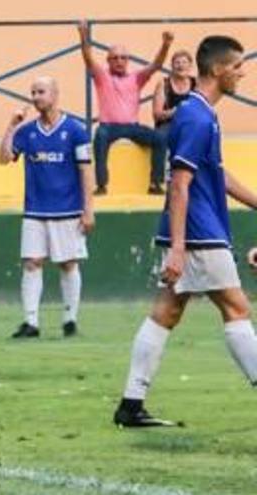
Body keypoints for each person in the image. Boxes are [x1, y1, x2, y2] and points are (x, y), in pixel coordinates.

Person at [112, 35, 257, 428]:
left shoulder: (200, 113)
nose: (243, 72)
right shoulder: (196, 116)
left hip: (195, 226)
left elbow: (216, 173)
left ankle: (130, 404)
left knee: (166, 311)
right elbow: (179, 183)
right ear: (217, 69)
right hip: (198, 229)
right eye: (238, 66)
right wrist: (178, 247)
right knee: (237, 307)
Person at [0, 77, 95, 339]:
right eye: (33, 92)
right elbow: (4, 158)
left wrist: (89, 210)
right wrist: (11, 126)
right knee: (31, 263)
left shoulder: (75, 130)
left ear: (55, 94)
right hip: (35, 210)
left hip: (67, 210)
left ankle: (70, 320)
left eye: (41, 92)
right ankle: (31, 322)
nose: (36, 97)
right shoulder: (27, 132)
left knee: (68, 264)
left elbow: (86, 171)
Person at [77, 21, 173, 195]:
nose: (119, 61)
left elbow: (156, 65)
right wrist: (83, 36)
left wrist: (166, 45)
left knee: (160, 138)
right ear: (108, 61)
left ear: (128, 60)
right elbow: (87, 58)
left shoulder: (136, 77)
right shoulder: (102, 76)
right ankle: (101, 185)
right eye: (115, 58)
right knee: (99, 136)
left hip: (132, 127)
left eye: (123, 57)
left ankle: (155, 183)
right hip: (108, 127)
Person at [152, 50, 196, 175]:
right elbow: (157, 114)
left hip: (189, 123)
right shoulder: (164, 84)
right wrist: (175, 112)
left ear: (190, 66)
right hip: (168, 123)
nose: (180, 65)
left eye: (184, 62)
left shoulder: (196, 84)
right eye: (177, 62)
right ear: (172, 66)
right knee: (159, 137)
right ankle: (156, 180)